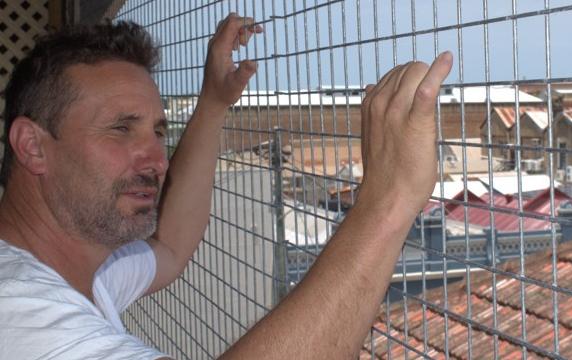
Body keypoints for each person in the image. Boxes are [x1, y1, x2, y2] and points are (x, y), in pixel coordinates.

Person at [0, 12, 452, 360]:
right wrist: (387, 203)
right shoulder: (18, 308)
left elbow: (172, 246)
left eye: (158, 132)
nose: (157, 160)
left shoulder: (81, 269)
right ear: (32, 147)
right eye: (121, 129)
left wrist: (214, 103)